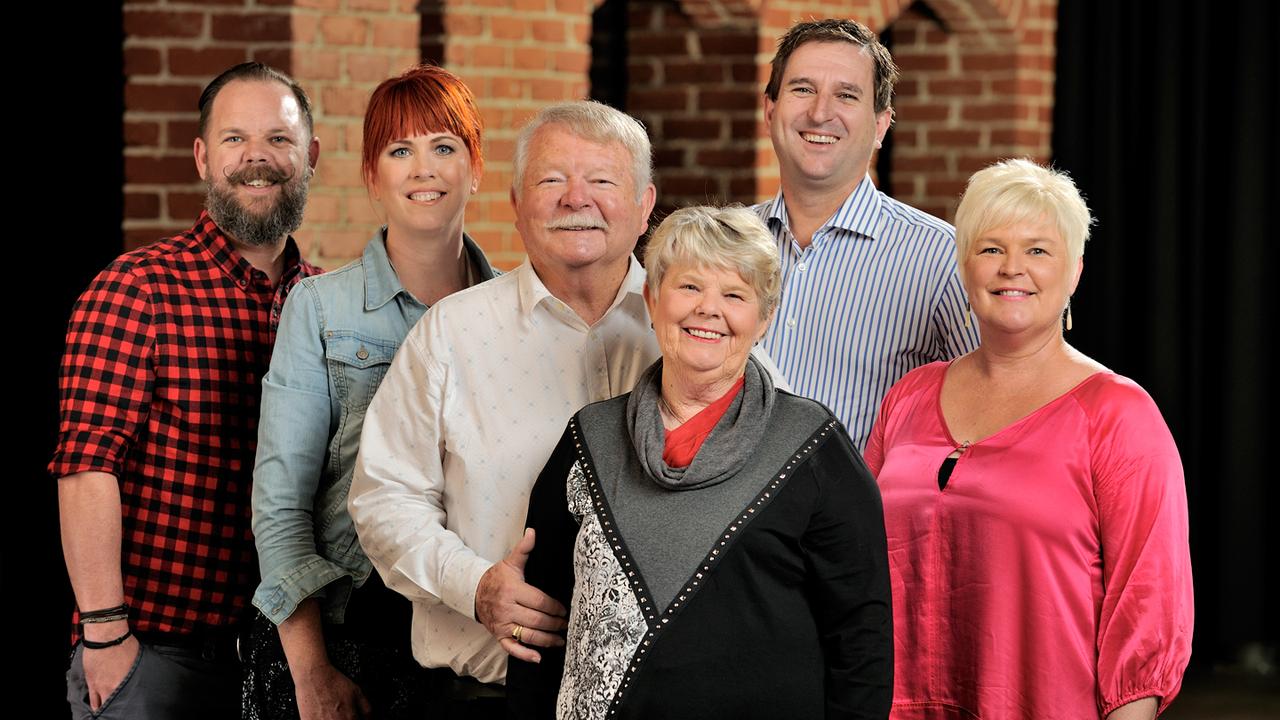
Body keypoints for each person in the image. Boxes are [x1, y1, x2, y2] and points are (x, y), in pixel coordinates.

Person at [507, 205, 893, 720]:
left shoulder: (811, 448)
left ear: (763, 319)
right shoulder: (590, 440)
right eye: (689, 287)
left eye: (734, 295)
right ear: (651, 299)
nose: (708, 310)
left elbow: (862, 640)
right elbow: (539, 623)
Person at [347, 101, 661, 710]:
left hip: (656, 699)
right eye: (551, 180)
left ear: (645, 204)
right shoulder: (451, 334)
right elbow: (384, 500)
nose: (576, 199)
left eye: (602, 180)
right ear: (516, 204)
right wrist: (476, 586)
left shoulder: (696, 333)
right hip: (483, 698)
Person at [865, 159, 1193, 719]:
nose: (1011, 268)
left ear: (1075, 272)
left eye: (1038, 250)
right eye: (990, 249)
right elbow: (852, 559)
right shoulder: (910, 397)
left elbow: (1147, 606)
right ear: (964, 267)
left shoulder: (1119, 415)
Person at [51, 62, 322, 720]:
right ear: (203, 157)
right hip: (155, 662)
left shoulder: (325, 305)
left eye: (279, 139)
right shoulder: (137, 290)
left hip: (281, 664)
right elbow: (87, 468)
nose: (257, 158)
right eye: (234, 139)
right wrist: (108, 636)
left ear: (311, 155)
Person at [244, 64, 498, 720]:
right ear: (371, 175)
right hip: (346, 641)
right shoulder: (322, 311)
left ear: (475, 166)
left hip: (477, 644)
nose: (424, 169)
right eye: (399, 150)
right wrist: (310, 671)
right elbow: (280, 506)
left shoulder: (516, 314)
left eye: (444, 147)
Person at [757, 18, 979, 449]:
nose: (820, 112)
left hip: (862, 515)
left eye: (846, 95)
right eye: (803, 89)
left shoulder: (942, 258)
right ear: (770, 111)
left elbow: (983, 417)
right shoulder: (724, 243)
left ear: (881, 125)